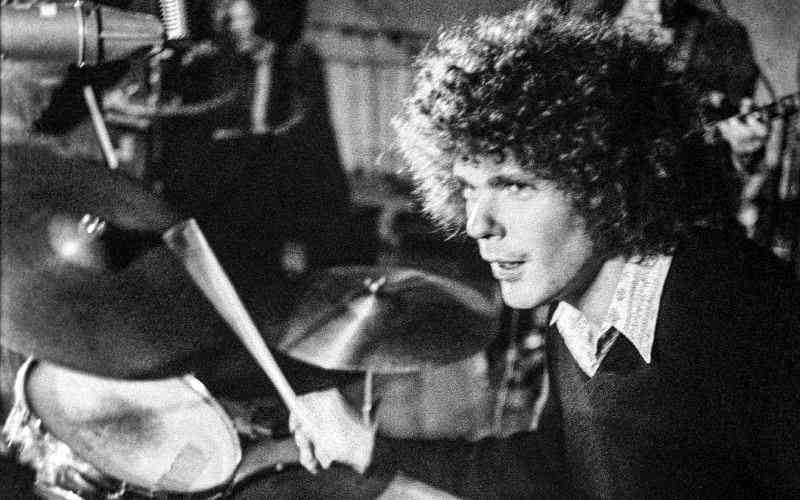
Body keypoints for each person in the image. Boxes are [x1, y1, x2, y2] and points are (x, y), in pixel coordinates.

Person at [283, 3, 800, 498]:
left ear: (604, 178)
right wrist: (373, 449)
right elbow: (555, 469)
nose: (477, 224)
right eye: (468, 187)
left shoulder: (738, 306)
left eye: (514, 185)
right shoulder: (573, 316)